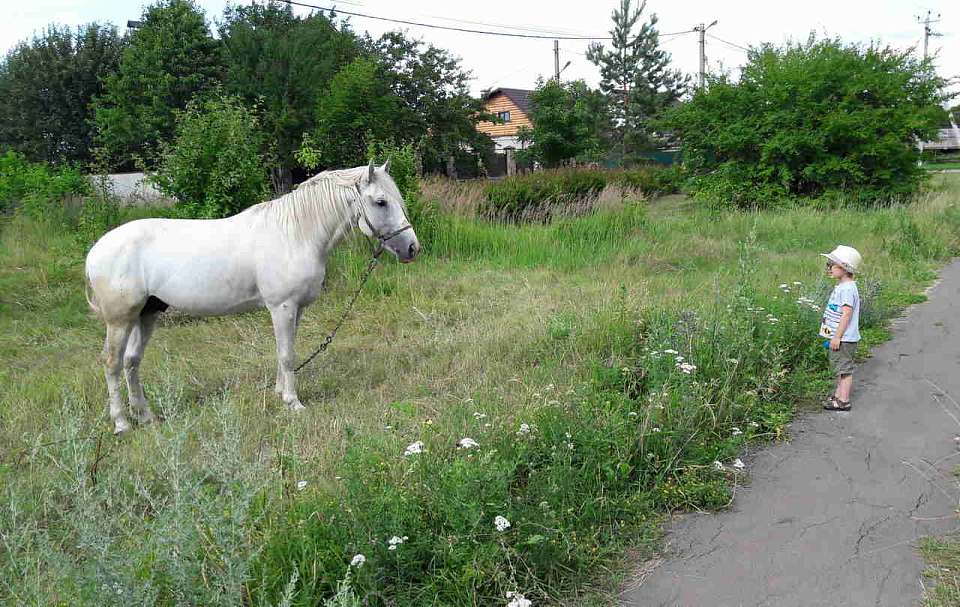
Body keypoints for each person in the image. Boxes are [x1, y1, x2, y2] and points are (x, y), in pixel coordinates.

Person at [819, 245, 863, 411]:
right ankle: (838, 395)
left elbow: (846, 315)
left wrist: (837, 337)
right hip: (840, 337)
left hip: (843, 338)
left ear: (844, 268)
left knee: (844, 370)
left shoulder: (847, 289)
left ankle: (843, 400)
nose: (828, 268)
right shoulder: (844, 287)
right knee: (840, 368)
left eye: (832, 265)